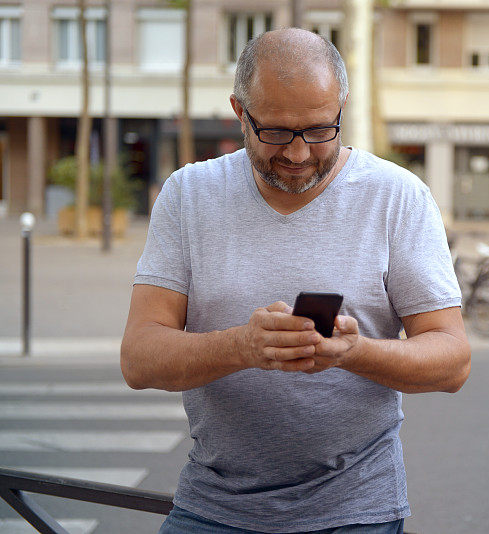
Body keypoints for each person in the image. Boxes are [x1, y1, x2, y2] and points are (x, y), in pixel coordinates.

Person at [120, 28, 470, 534]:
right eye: (278, 132)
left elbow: (452, 361)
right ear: (240, 112)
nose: (301, 154)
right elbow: (138, 357)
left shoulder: (398, 197)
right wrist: (243, 346)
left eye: (320, 129)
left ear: (341, 108)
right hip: (213, 506)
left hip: (357, 511)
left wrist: (355, 353)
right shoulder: (189, 195)